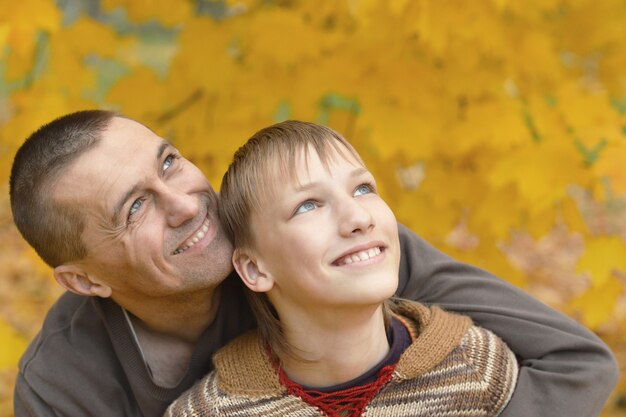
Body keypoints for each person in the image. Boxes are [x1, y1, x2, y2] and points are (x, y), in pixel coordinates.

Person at [9, 110, 617, 417]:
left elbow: (574, 363)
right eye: (136, 206)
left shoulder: (330, 253)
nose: (186, 203)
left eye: (169, 163)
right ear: (85, 279)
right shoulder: (63, 386)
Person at [166, 120, 520, 416]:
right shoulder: (208, 412)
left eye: (363, 188)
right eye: (308, 205)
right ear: (255, 269)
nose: (358, 217)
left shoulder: (477, 370)